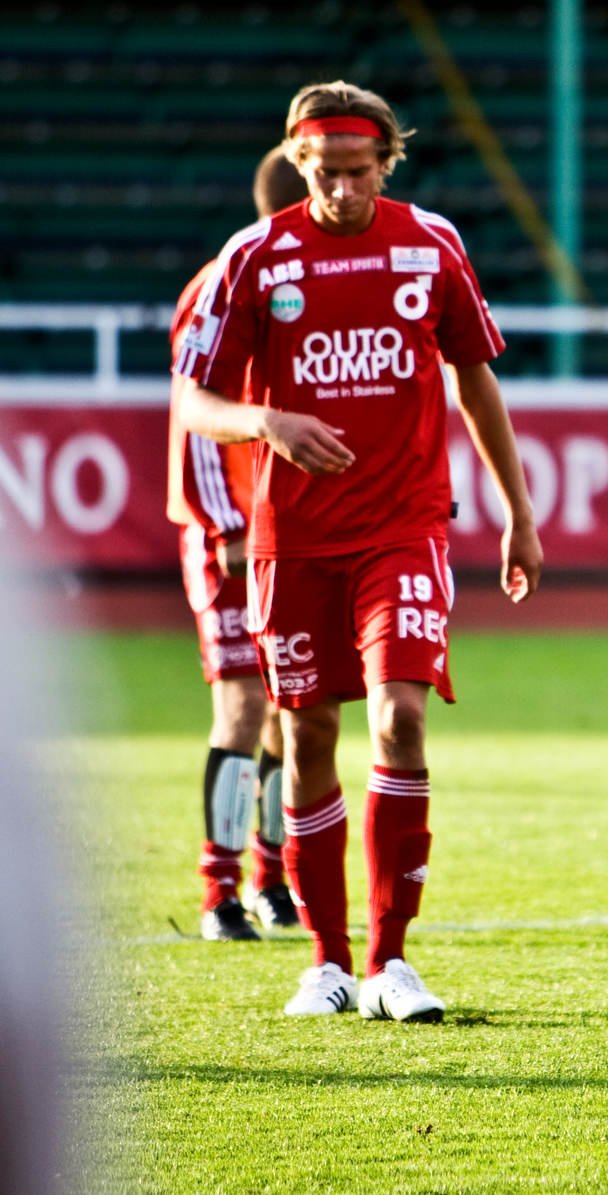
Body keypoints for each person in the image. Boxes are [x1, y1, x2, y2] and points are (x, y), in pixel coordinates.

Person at [175, 81, 542, 1020]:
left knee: (401, 722)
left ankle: (391, 959)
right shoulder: (254, 258)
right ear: (300, 165)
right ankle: (327, 961)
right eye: (325, 173)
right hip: (292, 540)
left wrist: (518, 509)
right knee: (304, 736)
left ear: (389, 161)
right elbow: (193, 402)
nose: (342, 190)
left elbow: (475, 381)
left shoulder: (432, 243)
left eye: (359, 172)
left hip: (405, 526)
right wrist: (267, 421)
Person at [167, 147, 310, 942]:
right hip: (228, 529)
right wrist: (223, 524)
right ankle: (219, 890)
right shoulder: (223, 280)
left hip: (290, 530)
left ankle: (273, 875)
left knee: (295, 707)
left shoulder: (309, 282)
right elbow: (192, 416)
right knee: (244, 703)